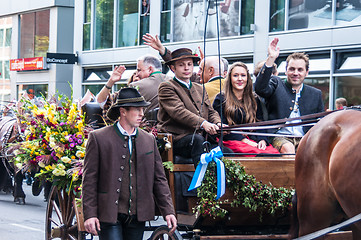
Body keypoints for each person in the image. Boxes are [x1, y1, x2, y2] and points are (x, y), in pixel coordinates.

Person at [82, 87, 177, 240]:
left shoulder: (149, 139)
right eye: (137, 110)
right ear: (123, 111)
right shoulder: (98, 138)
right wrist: (90, 214)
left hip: (137, 215)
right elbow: (89, 180)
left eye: (143, 109)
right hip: (109, 213)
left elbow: (159, 179)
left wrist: (168, 211)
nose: (142, 114)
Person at [254, 38, 324, 154]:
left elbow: (319, 122)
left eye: (300, 70)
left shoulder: (316, 94)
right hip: (279, 137)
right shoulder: (276, 83)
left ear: (306, 72)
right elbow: (260, 88)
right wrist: (271, 58)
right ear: (286, 71)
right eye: (292, 69)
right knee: (288, 148)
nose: (295, 73)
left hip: (305, 139)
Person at [157, 48, 223, 166]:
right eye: (181, 65)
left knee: (227, 151)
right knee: (198, 141)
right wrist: (203, 123)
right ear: (173, 68)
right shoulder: (167, 87)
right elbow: (178, 112)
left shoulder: (200, 88)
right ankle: (203, 182)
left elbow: (211, 111)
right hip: (177, 139)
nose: (186, 68)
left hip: (200, 138)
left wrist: (218, 123)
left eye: (189, 64)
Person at [213, 62, 279, 155]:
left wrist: (262, 140)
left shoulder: (254, 98)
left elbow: (260, 122)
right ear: (230, 78)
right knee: (257, 154)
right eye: (235, 75)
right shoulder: (221, 99)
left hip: (253, 140)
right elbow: (222, 126)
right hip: (231, 141)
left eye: (243, 75)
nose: (240, 79)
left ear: (247, 78)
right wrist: (244, 140)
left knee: (273, 154)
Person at [97, 55, 168, 122]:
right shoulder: (173, 81)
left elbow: (102, 102)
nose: (137, 74)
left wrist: (111, 81)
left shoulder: (136, 86)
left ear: (150, 69)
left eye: (139, 70)